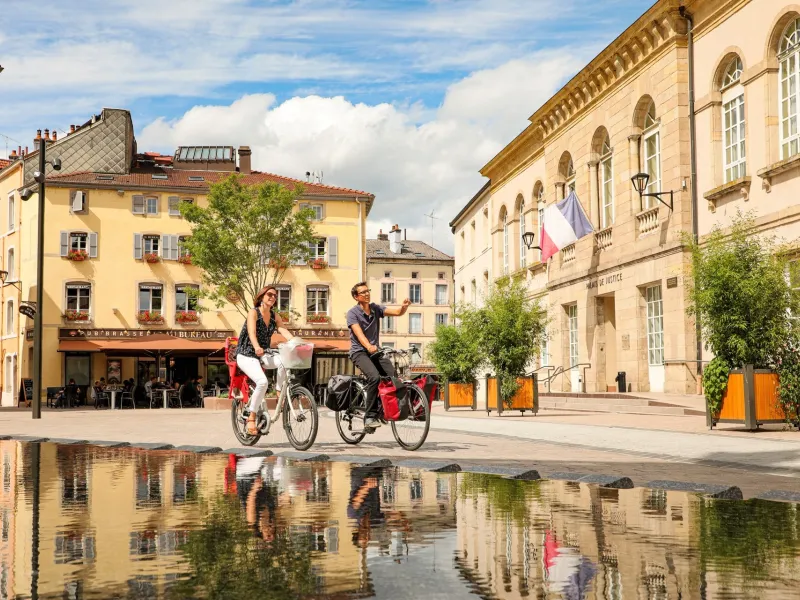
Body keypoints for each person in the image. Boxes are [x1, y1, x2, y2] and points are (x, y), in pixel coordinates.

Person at [346, 282, 410, 429]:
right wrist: (369, 346)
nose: (367, 294)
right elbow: (359, 334)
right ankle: (369, 417)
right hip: (359, 352)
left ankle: (383, 409)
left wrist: (404, 307)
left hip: (375, 351)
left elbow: (397, 312)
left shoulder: (375, 308)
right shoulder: (352, 313)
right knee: (374, 377)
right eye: (363, 292)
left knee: (392, 376)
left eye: (367, 291)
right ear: (356, 297)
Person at [236, 285, 295, 435]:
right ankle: (251, 418)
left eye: (275, 295)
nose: (273, 297)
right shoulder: (253, 312)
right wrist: (256, 346)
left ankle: (279, 393)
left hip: (262, 355)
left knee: (284, 361)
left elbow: (283, 329)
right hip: (246, 354)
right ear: (262, 296)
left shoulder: (275, 316)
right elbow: (251, 332)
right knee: (262, 382)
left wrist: (296, 342)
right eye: (269, 294)